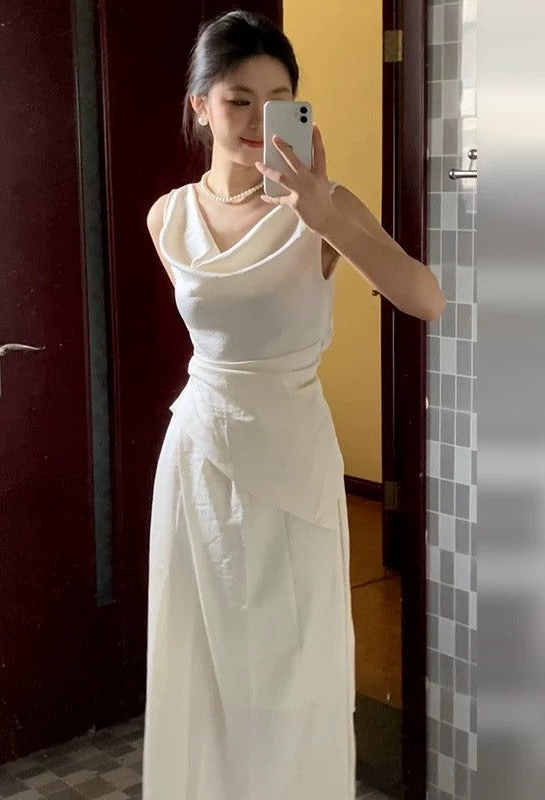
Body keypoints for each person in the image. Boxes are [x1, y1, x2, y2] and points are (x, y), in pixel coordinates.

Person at [143, 10, 445, 800]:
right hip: (199, 460)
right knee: (202, 666)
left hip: (293, 462)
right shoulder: (168, 217)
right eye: (238, 99)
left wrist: (324, 214)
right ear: (199, 105)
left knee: (293, 669)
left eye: (278, 101)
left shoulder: (323, 207)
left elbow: (425, 298)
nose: (256, 119)